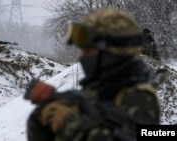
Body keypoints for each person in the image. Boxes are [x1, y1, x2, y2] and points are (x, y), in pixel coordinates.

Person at [24, 8, 160, 141]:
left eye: (89, 50)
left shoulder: (139, 96)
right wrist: (44, 116)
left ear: (110, 52)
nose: (82, 56)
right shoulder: (98, 88)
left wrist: (69, 123)